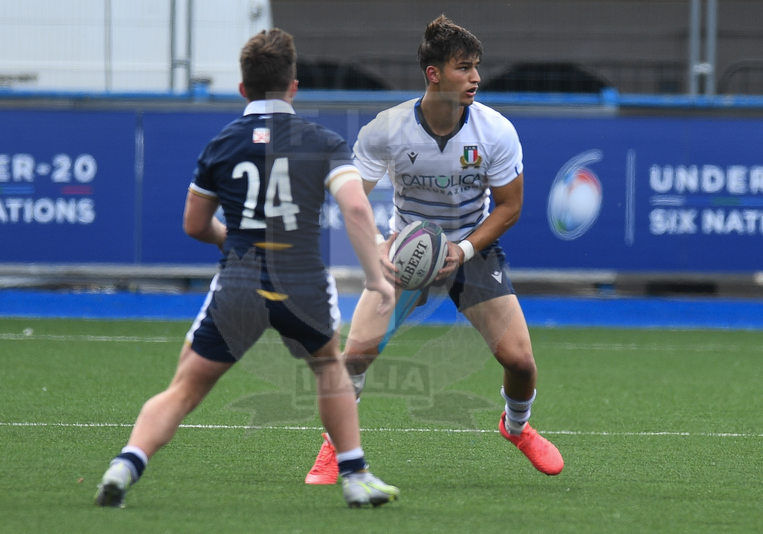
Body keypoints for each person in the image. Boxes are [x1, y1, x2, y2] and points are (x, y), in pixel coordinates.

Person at [95, 28, 399, 509]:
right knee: (328, 370)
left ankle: (125, 464)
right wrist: (377, 278)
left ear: (243, 89)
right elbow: (358, 211)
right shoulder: (321, 141)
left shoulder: (222, 144)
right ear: (293, 85)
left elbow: (194, 224)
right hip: (300, 278)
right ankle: (355, 476)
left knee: (185, 388)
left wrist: (231, 241)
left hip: (239, 278)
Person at [305, 15, 563, 485]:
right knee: (356, 356)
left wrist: (462, 251)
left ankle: (517, 428)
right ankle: (336, 451)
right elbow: (353, 198)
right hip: (406, 253)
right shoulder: (387, 128)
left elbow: (509, 208)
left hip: (472, 251)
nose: (476, 78)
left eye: (477, 67)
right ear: (434, 74)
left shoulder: (495, 131)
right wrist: (377, 250)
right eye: (465, 68)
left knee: (521, 362)